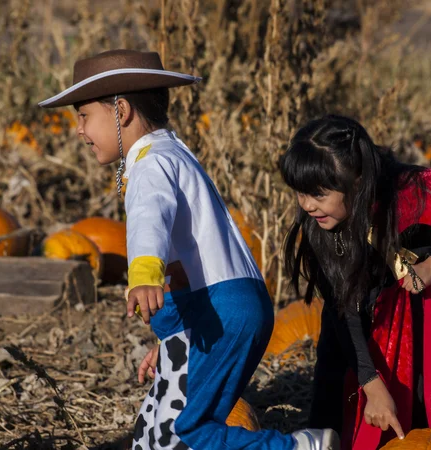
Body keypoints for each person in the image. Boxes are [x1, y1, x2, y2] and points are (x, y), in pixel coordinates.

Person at [39, 49, 340, 450]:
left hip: (225, 309)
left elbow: (151, 218)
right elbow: (189, 258)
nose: (79, 130)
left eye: (83, 116)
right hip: (216, 310)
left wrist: (143, 276)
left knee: (188, 430)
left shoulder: (152, 163)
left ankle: (301, 448)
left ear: (121, 111)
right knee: (153, 429)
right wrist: (171, 343)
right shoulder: (170, 153)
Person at [280, 115, 431, 449]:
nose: (308, 205)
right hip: (348, 316)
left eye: (318, 194)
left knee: (408, 402)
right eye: (300, 193)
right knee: (332, 394)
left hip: (401, 316)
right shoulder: (320, 226)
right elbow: (346, 314)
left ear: (356, 182)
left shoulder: (407, 188)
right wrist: (371, 385)